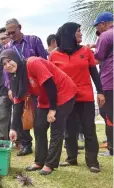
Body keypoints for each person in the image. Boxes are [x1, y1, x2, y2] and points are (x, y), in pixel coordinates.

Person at [1, 49, 77, 175]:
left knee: (56, 129)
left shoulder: (33, 63)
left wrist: (52, 110)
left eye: (9, 61)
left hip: (63, 93)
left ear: (17, 58)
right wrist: (13, 129)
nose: (7, 65)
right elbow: (18, 104)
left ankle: (50, 164)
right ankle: (39, 161)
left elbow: (50, 84)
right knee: (39, 127)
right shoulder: (15, 77)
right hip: (45, 98)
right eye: (4, 64)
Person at [49, 22, 105, 173]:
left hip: (85, 97)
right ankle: (71, 158)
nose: (80, 34)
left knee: (89, 128)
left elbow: (94, 72)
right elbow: (51, 79)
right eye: (77, 31)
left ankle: (92, 161)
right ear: (68, 34)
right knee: (69, 129)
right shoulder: (54, 55)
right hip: (66, 98)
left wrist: (100, 91)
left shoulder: (86, 51)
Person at [4, 18, 48, 156]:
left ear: (20, 27)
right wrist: (10, 87)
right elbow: (6, 70)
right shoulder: (7, 47)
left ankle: (41, 146)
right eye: (8, 33)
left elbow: (44, 61)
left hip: (35, 85)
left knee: (39, 117)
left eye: (13, 32)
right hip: (18, 86)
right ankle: (26, 144)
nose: (11, 35)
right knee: (22, 115)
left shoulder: (34, 40)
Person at [92, 12, 113, 156]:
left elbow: (97, 59)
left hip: (109, 80)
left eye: (98, 26)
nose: (97, 30)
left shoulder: (105, 36)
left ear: (103, 24)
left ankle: (112, 147)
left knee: (108, 115)